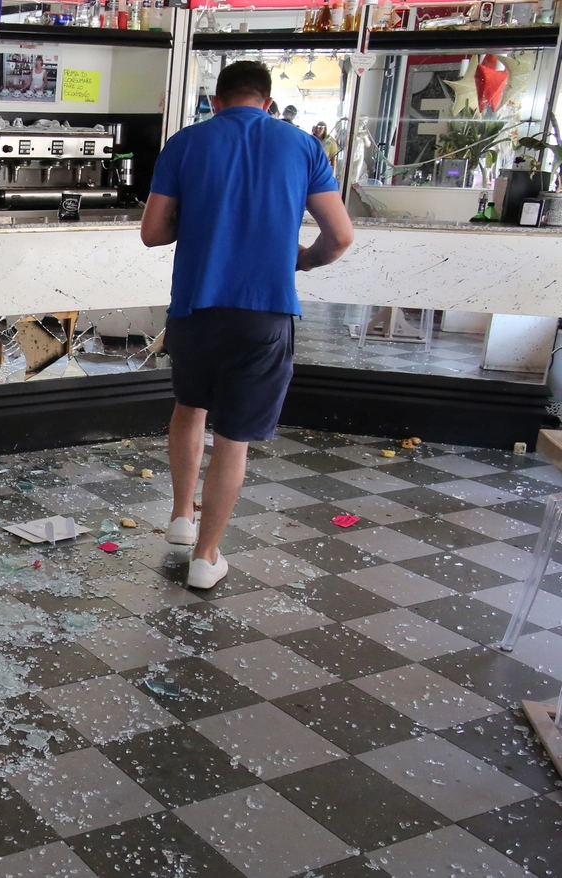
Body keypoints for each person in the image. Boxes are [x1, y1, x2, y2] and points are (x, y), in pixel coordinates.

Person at [139, 61, 354, 589]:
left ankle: (181, 519)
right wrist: (302, 259)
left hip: (194, 308)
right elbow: (341, 236)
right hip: (263, 312)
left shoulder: (186, 143)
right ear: (267, 99)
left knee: (189, 407)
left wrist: (201, 221)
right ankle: (206, 559)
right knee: (233, 439)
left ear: (216, 101)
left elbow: (152, 232)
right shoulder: (303, 146)